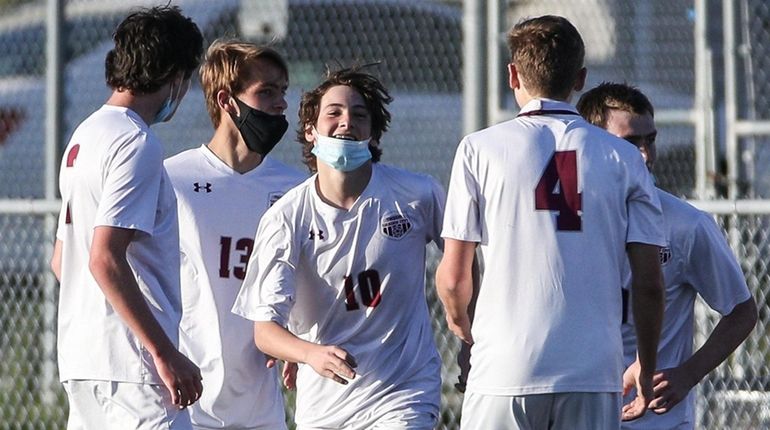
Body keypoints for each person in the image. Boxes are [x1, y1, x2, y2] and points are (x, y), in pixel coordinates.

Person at [435, 15, 667, 429]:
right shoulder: (626, 158)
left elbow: (453, 279)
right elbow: (649, 283)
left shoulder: (479, 149)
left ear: (512, 75)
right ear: (580, 79)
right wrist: (645, 368)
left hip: (505, 368)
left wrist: (466, 330)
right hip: (593, 371)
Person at [232, 66, 445, 429]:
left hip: (403, 393)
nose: (346, 122)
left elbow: (464, 259)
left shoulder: (417, 194)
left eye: (359, 115)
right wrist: (308, 354)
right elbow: (265, 331)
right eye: (334, 113)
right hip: (326, 408)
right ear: (311, 132)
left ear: (373, 134)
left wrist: (468, 333)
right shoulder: (287, 216)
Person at [49, 6, 203, 429]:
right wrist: (163, 352)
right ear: (174, 75)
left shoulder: (85, 135)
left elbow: (64, 261)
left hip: (82, 361)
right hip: (133, 371)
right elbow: (104, 258)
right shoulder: (136, 143)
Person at [577, 82, 758, 430]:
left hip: (658, 421)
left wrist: (687, 373)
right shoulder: (568, 223)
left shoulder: (687, 224)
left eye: (651, 140)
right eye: (631, 142)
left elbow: (741, 310)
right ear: (593, 143)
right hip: (582, 412)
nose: (645, 154)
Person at [164, 40, 305, 429]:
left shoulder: (295, 189)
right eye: (266, 92)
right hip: (187, 401)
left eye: (283, 92)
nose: (280, 104)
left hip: (262, 406)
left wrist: (295, 336)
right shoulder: (172, 180)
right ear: (227, 101)